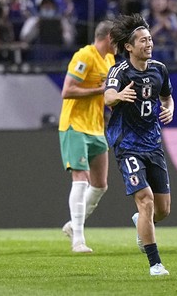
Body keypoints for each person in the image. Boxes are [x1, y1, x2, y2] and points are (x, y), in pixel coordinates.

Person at [104, 13, 174, 276]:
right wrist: (119, 95)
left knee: (162, 210)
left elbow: (168, 97)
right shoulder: (120, 71)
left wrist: (169, 109)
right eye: (143, 40)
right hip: (128, 145)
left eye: (150, 39)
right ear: (129, 47)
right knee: (145, 201)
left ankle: (141, 223)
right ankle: (155, 264)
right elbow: (109, 95)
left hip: (153, 144)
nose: (149, 43)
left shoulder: (159, 69)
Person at [59, 20, 116, 253]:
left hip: (96, 127)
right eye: (119, 38)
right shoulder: (84, 56)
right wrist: (99, 90)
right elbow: (68, 90)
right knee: (81, 179)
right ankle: (78, 240)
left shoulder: (110, 60)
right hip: (74, 126)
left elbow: (106, 96)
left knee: (101, 185)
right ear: (109, 37)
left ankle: (74, 224)